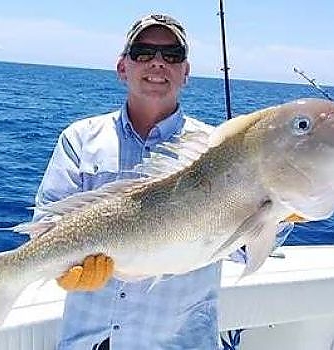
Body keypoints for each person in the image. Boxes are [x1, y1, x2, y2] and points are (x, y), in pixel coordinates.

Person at [33, 13, 293, 350]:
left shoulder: (220, 150)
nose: (158, 63)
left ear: (186, 73)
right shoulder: (80, 139)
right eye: (143, 52)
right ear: (122, 67)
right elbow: (46, 230)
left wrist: (281, 211)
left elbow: (244, 254)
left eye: (172, 55)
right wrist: (65, 269)